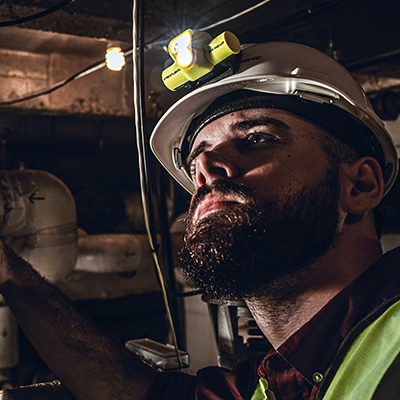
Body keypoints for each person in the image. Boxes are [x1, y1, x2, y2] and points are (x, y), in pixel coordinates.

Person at [0, 40, 399, 400]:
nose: (206, 168)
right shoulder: (275, 384)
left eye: (257, 138)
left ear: (360, 185)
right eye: (196, 164)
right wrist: (12, 275)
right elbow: (132, 391)